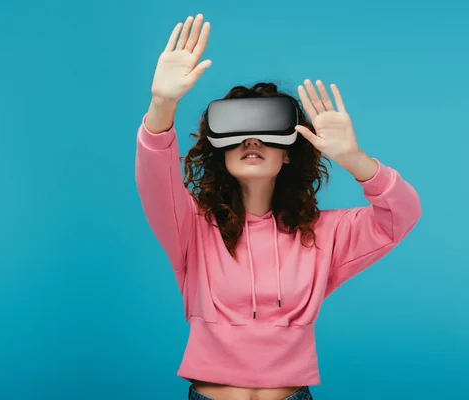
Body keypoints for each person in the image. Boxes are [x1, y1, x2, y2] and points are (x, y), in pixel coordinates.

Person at [134, 14, 421, 400]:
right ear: (221, 152)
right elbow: (155, 178)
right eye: (236, 134)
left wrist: (356, 159)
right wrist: (161, 104)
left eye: (266, 133)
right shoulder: (192, 227)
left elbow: (400, 215)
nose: (251, 140)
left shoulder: (323, 234)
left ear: (288, 154)